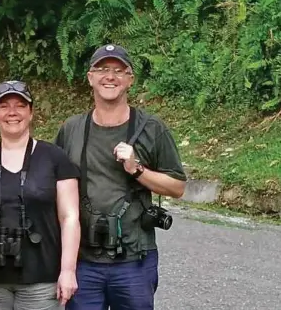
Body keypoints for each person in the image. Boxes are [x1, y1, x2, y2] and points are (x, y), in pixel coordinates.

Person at [54, 44, 187, 310]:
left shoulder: (152, 129)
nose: (110, 76)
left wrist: (137, 169)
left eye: (118, 70)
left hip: (134, 259)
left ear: (130, 80)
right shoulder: (72, 129)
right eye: (102, 69)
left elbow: (178, 187)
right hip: (83, 261)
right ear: (90, 77)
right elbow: (49, 177)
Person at [0, 81, 80, 310]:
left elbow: (69, 217)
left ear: (31, 112)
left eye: (20, 105)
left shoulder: (55, 158)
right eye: (4, 106)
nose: (12, 112)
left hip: (41, 277)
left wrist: (68, 270)